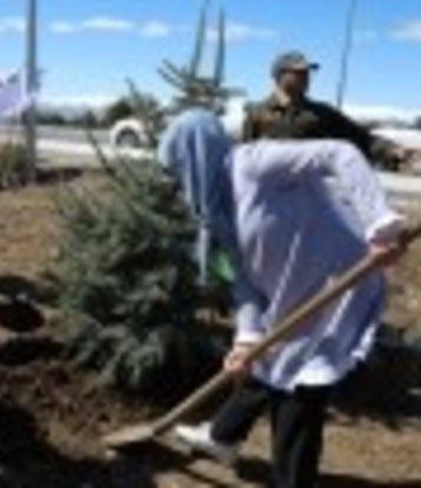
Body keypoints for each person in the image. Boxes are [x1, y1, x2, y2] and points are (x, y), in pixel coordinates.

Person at [158, 109, 404, 487]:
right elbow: (243, 285)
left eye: (179, 167)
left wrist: (380, 222)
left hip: (341, 285)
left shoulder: (253, 163)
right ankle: (224, 439)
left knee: (303, 388)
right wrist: (246, 337)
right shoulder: (215, 216)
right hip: (292, 293)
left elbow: (339, 152)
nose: (180, 182)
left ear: (196, 154)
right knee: (273, 366)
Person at [242, 50, 408, 168]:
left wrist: (390, 149)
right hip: (268, 192)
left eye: (307, 73)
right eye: (298, 73)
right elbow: (244, 156)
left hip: (309, 193)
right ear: (279, 75)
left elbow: (360, 137)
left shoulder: (321, 113)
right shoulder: (257, 112)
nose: (306, 77)